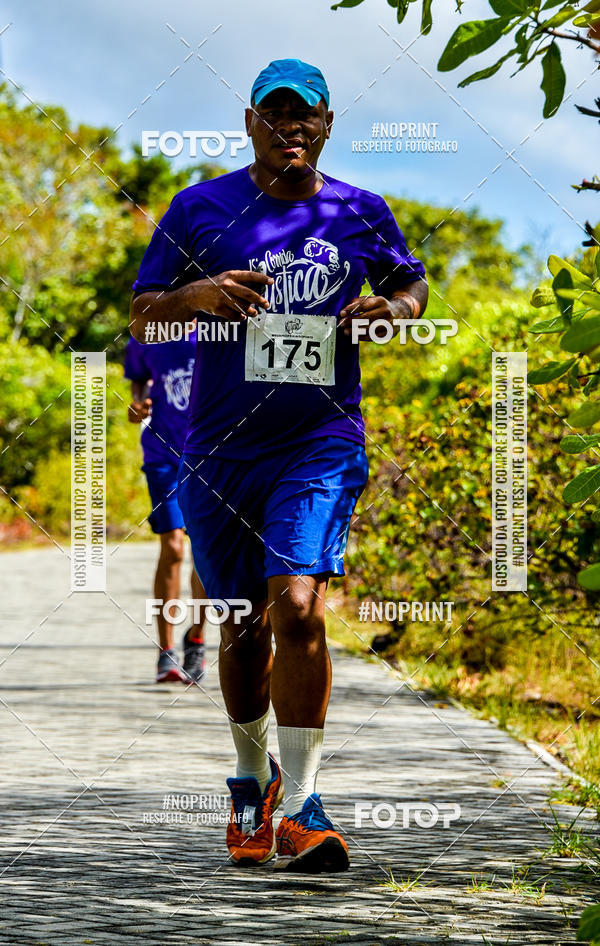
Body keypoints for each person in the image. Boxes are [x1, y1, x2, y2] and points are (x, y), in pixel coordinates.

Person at [130, 58, 428, 872]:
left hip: (319, 439)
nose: (292, 126)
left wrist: (392, 308)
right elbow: (141, 314)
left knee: (297, 606)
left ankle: (303, 806)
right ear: (251, 121)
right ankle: (249, 781)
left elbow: (411, 283)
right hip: (220, 449)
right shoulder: (200, 209)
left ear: (328, 123)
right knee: (240, 625)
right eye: (276, 114)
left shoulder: (360, 211)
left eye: (307, 115)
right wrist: (195, 297)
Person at [125, 332, 207, 684]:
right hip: (164, 457)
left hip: (211, 455)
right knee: (173, 547)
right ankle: (166, 650)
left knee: (205, 549)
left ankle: (198, 639)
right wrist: (138, 405)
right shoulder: (147, 332)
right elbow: (139, 386)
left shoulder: (219, 325)